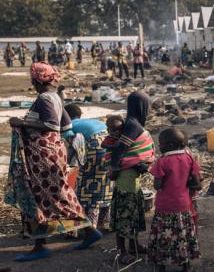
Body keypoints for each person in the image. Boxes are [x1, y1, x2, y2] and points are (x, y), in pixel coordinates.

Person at [6, 62, 102, 261]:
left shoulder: (44, 98)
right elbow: (67, 127)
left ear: (36, 80)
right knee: (57, 193)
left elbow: (51, 125)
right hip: (53, 153)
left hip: (42, 155)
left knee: (41, 195)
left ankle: (41, 245)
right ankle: (88, 231)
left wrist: (20, 122)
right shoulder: (56, 97)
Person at [107, 91, 156, 265]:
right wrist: (114, 168)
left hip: (132, 179)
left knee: (133, 214)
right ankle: (122, 252)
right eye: (147, 106)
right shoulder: (133, 125)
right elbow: (120, 150)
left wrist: (137, 163)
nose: (148, 110)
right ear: (141, 106)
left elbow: (130, 151)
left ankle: (134, 245)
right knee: (124, 216)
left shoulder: (132, 123)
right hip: (126, 181)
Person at [148, 128, 202, 272]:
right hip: (183, 206)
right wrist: (185, 182)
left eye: (161, 144)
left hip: (165, 206)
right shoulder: (189, 157)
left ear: (170, 146)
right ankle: (185, 264)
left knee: (163, 236)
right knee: (183, 234)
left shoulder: (163, 161)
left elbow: (156, 185)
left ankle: (161, 265)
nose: (160, 147)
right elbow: (197, 183)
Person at [64, 104, 114, 230]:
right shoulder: (93, 121)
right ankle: (104, 222)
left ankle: (89, 226)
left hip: (95, 146)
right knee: (104, 183)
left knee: (87, 185)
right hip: (110, 146)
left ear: (66, 117)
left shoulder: (69, 125)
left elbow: (72, 146)